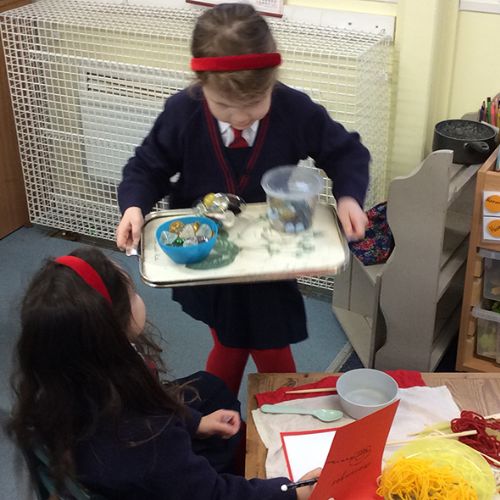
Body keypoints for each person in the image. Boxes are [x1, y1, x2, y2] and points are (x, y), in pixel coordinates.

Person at [116, 3, 370, 396]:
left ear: (272, 83)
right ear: (200, 84)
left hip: (269, 253)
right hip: (205, 253)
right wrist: (134, 205)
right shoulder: (183, 112)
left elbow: (346, 152)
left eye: (253, 106)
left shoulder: (293, 109)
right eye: (223, 107)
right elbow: (148, 166)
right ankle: (245, 409)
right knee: (232, 337)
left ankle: (250, 408)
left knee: (264, 339)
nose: (239, 118)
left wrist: (349, 196)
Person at [8, 247, 320, 499]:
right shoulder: (150, 438)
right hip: (154, 477)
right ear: (111, 327)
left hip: (110, 463)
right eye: (132, 294)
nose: (139, 297)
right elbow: (212, 494)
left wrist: (195, 423)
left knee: (210, 388)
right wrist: (291, 492)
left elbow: (148, 403)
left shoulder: (59, 378)